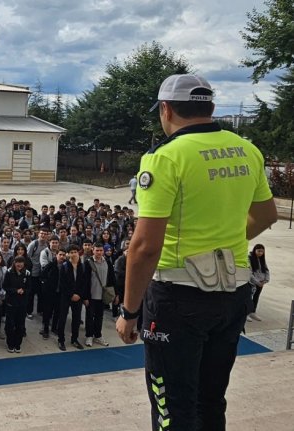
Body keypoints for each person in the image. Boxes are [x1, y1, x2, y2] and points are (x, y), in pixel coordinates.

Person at [116, 74, 278, 431]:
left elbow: (145, 247)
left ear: (166, 109)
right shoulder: (246, 149)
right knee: (210, 402)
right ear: (211, 108)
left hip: (178, 297)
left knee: (172, 407)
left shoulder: (164, 157)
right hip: (234, 294)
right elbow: (267, 214)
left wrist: (129, 311)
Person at [84, 242, 114, 347]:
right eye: (97, 250)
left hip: (102, 296)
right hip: (91, 296)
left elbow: (111, 279)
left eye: (101, 250)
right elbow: (85, 281)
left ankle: (98, 335)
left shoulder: (108, 263)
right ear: (93, 250)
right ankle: (89, 336)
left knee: (99, 317)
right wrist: (86, 297)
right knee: (89, 316)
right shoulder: (88, 263)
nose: (99, 252)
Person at [3, 256, 30, 353]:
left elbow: (30, 287)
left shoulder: (27, 273)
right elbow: (5, 286)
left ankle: (18, 344)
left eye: (21, 262)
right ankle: (10, 343)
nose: (19, 264)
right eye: (17, 262)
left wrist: (24, 291)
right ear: (14, 262)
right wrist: (15, 291)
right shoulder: (9, 272)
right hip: (11, 302)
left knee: (20, 324)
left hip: (22, 303)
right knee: (10, 324)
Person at [248, 244, 269, 322]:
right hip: (252, 282)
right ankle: (246, 313)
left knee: (256, 297)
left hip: (261, 282)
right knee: (249, 297)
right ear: (255, 250)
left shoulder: (262, 259)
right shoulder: (249, 258)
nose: (260, 253)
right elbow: (249, 272)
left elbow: (266, 270)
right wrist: (256, 282)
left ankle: (253, 312)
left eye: (262, 251)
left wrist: (265, 280)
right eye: (259, 251)